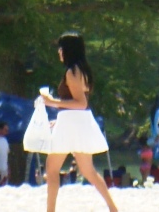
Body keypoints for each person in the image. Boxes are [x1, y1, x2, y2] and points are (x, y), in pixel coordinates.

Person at [23, 32, 118, 212]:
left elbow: (80, 103)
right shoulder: (82, 70)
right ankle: (113, 208)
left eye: (61, 48)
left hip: (72, 122)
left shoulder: (71, 72)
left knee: (52, 169)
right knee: (88, 170)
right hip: (78, 122)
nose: (59, 52)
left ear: (67, 50)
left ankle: (50, 210)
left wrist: (51, 102)